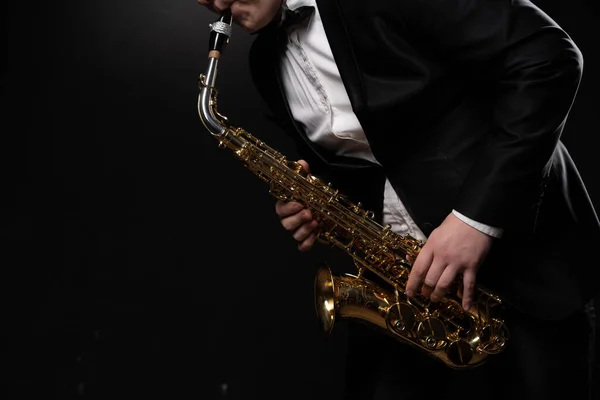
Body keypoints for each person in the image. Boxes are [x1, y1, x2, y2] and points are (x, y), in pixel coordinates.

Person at [198, 0, 599, 398]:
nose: (214, 3)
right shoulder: (265, 62)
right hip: (409, 290)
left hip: (525, 271)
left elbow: (549, 58)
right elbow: (376, 156)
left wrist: (474, 220)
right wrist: (318, 202)